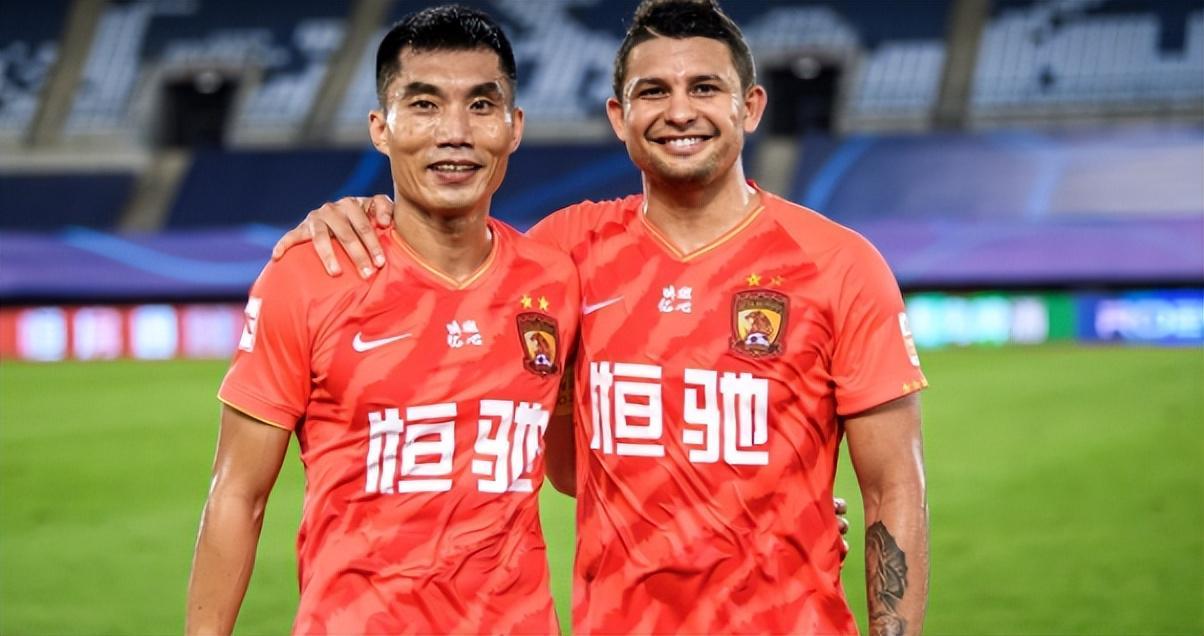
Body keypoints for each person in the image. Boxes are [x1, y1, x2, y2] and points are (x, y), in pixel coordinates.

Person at [277, 1, 928, 634]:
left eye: (704, 87)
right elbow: (566, 470)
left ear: (750, 107)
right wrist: (356, 214)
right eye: (653, 91)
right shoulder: (565, 255)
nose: (679, 111)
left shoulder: (838, 265)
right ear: (619, 115)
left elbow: (895, 487)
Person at [184, 6, 580, 634]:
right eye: (424, 105)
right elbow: (237, 493)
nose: (455, 132)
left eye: (482, 105)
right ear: (381, 128)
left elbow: (572, 471)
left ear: (514, 127)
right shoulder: (311, 275)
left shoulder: (555, 282)